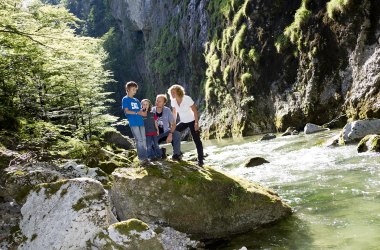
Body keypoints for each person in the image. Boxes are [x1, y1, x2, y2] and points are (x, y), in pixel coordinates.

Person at [168, 84, 204, 166]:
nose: (172, 94)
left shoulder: (187, 98)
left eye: (174, 92)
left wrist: (196, 123)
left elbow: (195, 111)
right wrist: (173, 124)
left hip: (192, 121)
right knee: (174, 133)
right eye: (171, 93)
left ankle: (201, 160)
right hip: (183, 122)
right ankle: (178, 153)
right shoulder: (173, 101)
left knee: (197, 140)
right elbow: (174, 112)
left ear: (179, 92)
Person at [121, 81, 148, 163]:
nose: (135, 91)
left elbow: (141, 111)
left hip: (141, 122)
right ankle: (141, 159)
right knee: (139, 140)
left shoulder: (136, 100)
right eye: (133, 89)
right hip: (133, 123)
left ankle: (146, 157)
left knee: (143, 139)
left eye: (136, 90)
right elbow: (127, 111)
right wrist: (137, 112)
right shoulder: (125, 99)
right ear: (128, 89)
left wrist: (144, 110)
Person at [151, 94, 182, 160]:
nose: (157, 102)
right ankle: (162, 152)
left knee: (176, 134)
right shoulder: (151, 111)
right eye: (157, 101)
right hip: (155, 134)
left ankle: (176, 154)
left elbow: (173, 124)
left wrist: (170, 134)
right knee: (151, 149)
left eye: (160, 101)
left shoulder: (167, 110)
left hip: (166, 132)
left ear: (164, 103)